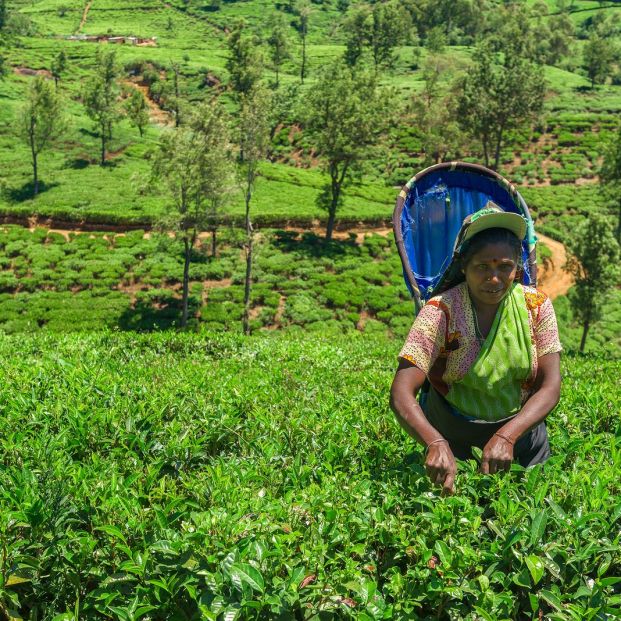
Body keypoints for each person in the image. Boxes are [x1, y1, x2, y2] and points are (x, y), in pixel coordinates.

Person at [390, 204, 562, 495]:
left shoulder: (536, 307)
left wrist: (507, 436)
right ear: (464, 267)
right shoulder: (441, 311)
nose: (493, 278)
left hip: (522, 442)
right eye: (482, 267)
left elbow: (551, 386)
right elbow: (401, 392)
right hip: (452, 440)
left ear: (517, 268)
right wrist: (434, 443)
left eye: (504, 266)